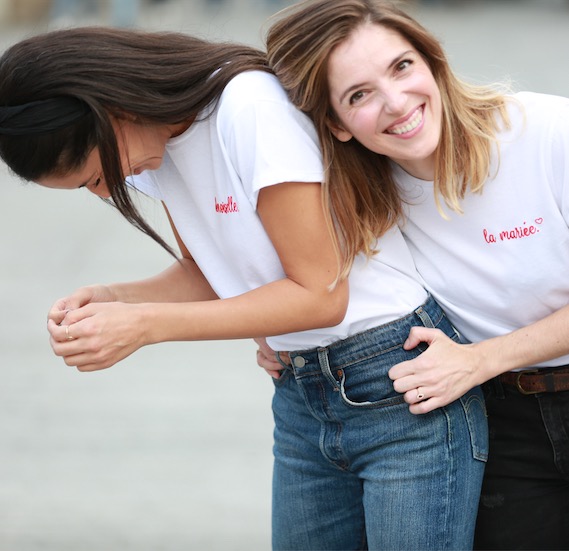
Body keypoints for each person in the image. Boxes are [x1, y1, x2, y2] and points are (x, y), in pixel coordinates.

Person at [0, 26, 486, 551]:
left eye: (95, 177)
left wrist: (145, 325)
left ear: (113, 108)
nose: (104, 191)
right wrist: (119, 299)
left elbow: (320, 294)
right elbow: (209, 272)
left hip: (399, 380)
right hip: (303, 397)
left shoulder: (245, 107)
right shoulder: (158, 146)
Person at [262, 0, 569, 549]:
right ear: (335, 124)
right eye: (359, 95)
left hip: (487, 373)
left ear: (432, 61)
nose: (396, 103)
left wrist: (480, 358)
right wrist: (278, 338)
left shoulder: (547, 132)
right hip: (502, 425)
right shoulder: (363, 202)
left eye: (402, 67)